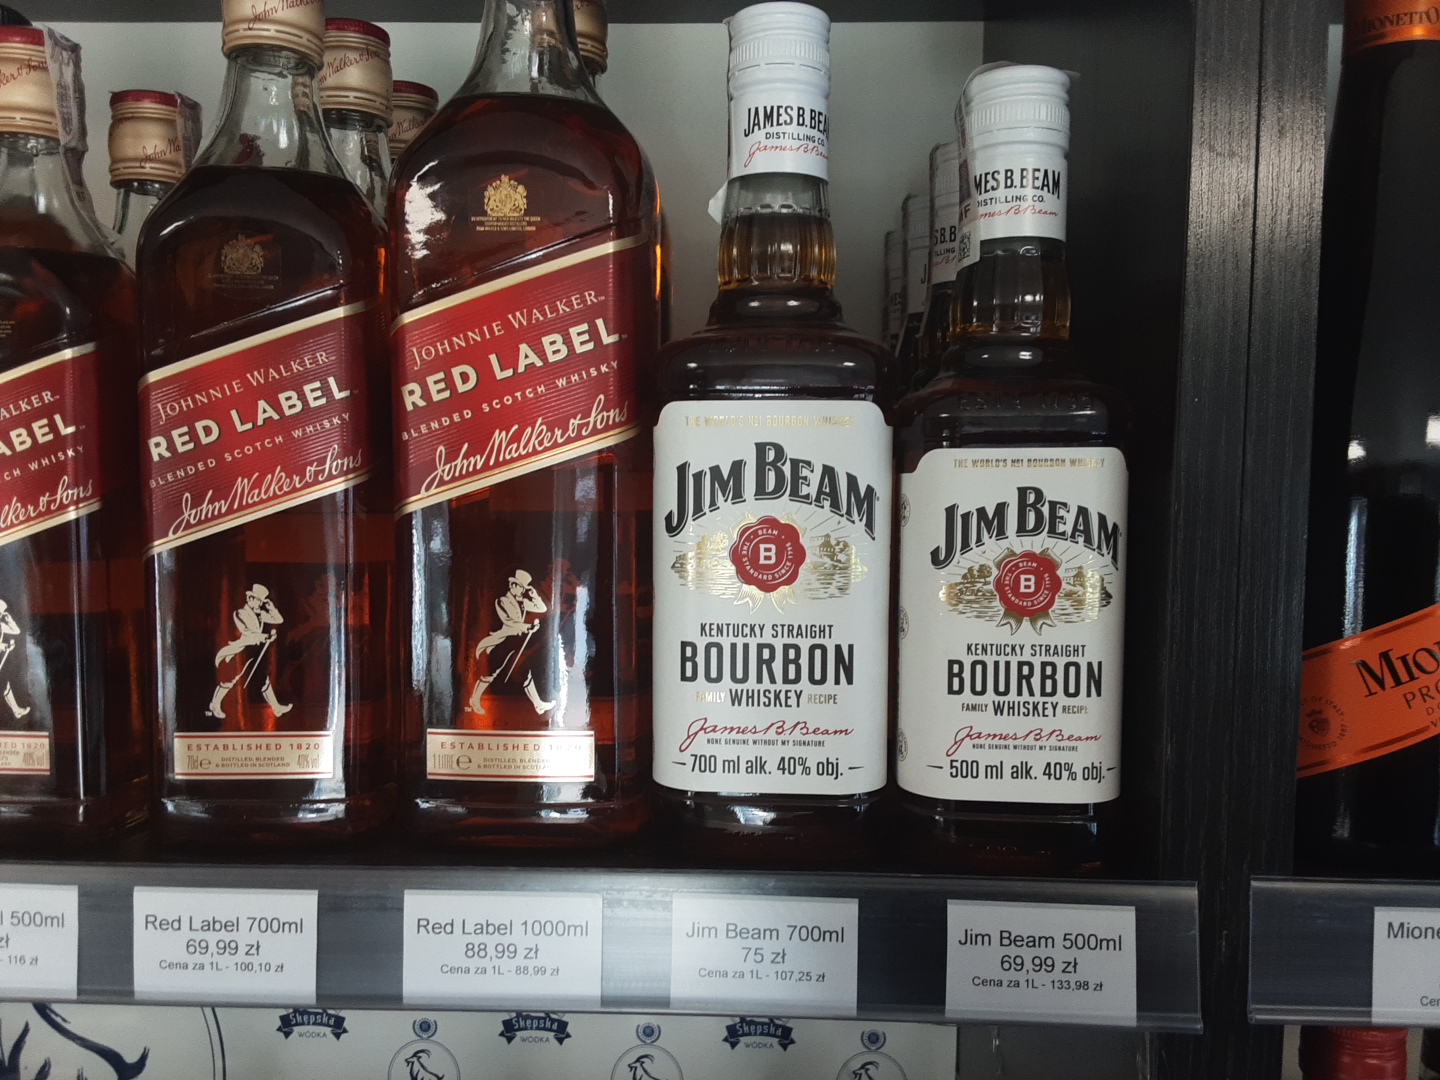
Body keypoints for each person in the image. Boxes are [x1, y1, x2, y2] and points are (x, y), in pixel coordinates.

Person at [467, 569, 556, 715]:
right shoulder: (503, 601)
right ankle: (475, 699)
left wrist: (534, 594)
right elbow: (511, 623)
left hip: (516, 643)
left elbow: (542, 608)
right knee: (491, 672)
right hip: (503, 642)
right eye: (521, 587)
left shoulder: (523, 602)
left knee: (525, 672)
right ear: (514, 586)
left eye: (524, 588)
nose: (523, 591)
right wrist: (528, 627)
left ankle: (538, 704)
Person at [208, 584, 292, 720]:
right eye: (258, 600)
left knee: (264, 680)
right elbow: (248, 633)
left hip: (256, 651)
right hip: (242, 651)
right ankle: (215, 705)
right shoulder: (240, 613)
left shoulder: (260, 614)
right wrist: (266, 637)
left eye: (261, 601)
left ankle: (276, 708)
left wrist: (271, 607)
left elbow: (278, 620)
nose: (259, 604)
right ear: (250, 599)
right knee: (230, 679)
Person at [0, 598, 29, 720]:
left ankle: (16, 710)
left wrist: (10, 620)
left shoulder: (1, 626)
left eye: (1, 613)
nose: (1, 615)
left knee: (5, 685)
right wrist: (4, 646)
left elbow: (16, 631)